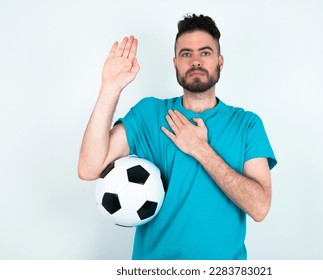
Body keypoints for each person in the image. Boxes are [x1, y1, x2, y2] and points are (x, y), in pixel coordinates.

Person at [78, 14, 277, 260]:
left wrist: (201, 149)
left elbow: (259, 208)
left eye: (205, 53)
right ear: (175, 63)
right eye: (186, 54)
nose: (195, 61)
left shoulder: (247, 124)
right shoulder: (149, 114)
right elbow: (88, 168)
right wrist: (110, 89)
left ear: (220, 62)